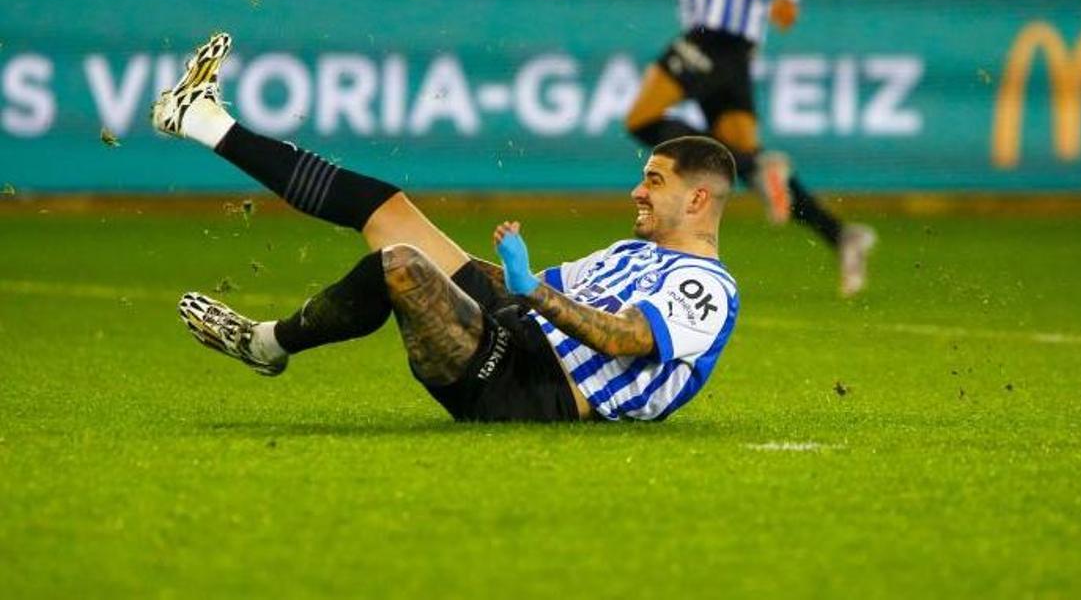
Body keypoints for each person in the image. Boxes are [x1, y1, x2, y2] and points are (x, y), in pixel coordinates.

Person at [154, 33, 739, 423]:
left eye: (655, 182)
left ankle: (266, 344)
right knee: (390, 213)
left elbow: (626, 339)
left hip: (533, 389)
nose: (638, 190)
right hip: (514, 331)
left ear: (698, 199)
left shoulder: (707, 288)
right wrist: (504, 277)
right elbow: (522, 292)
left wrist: (531, 288)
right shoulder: (628, 252)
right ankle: (205, 120)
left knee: (400, 266)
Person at [546, 0, 876, 296]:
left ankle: (759, 168)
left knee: (642, 118)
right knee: (745, 156)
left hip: (719, 33)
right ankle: (840, 234)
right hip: (727, 47)